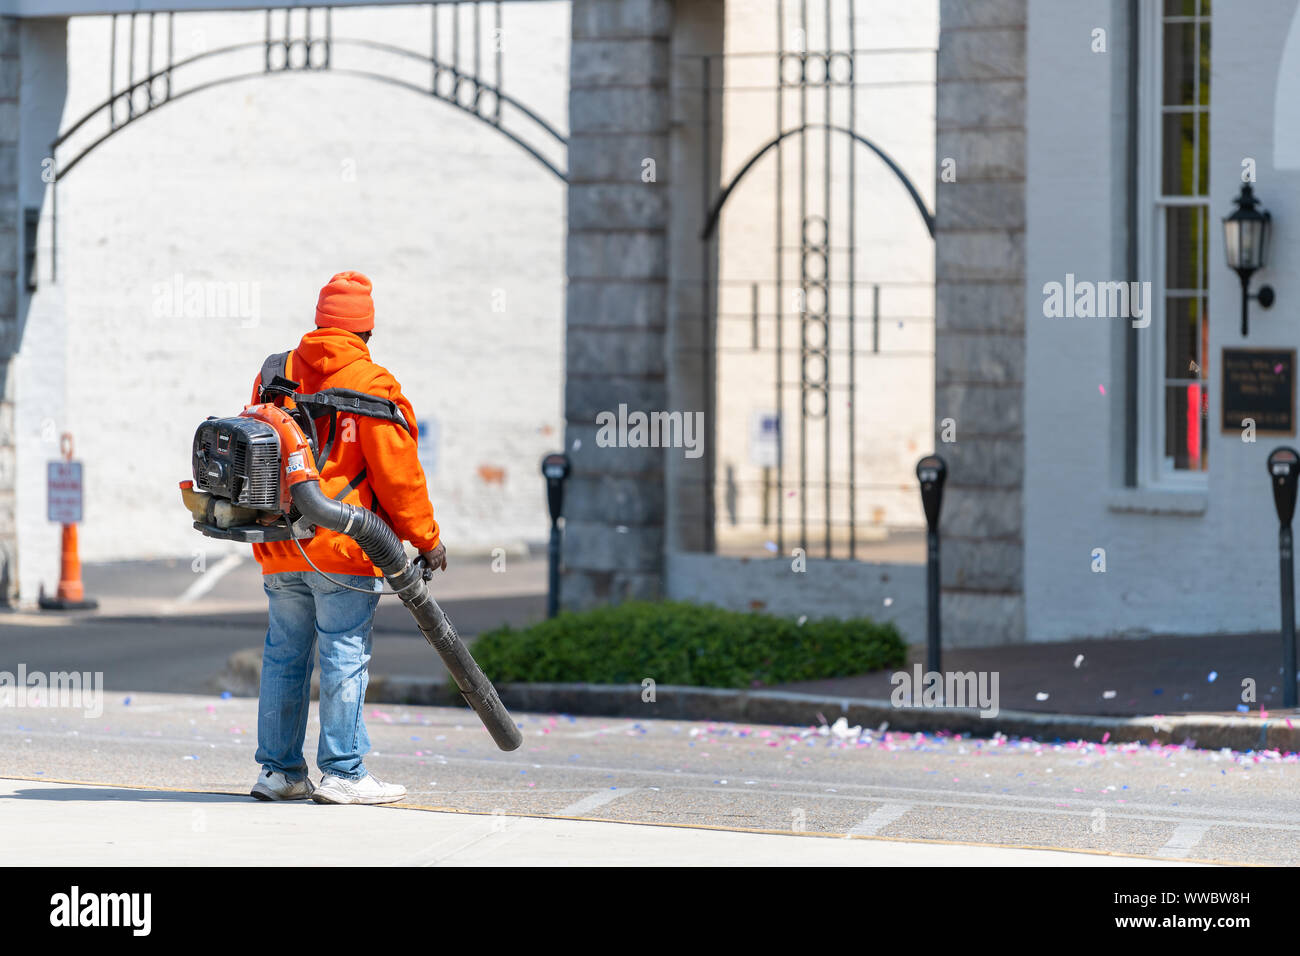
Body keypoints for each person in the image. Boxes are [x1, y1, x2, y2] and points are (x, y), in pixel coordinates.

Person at [247, 271, 447, 805]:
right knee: (344, 653)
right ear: (366, 331)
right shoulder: (374, 383)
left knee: (284, 656)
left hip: (279, 544)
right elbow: (398, 477)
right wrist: (426, 539)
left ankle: (279, 772)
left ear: (319, 321)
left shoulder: (276, 371)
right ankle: (344, 773)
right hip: (342, 548)